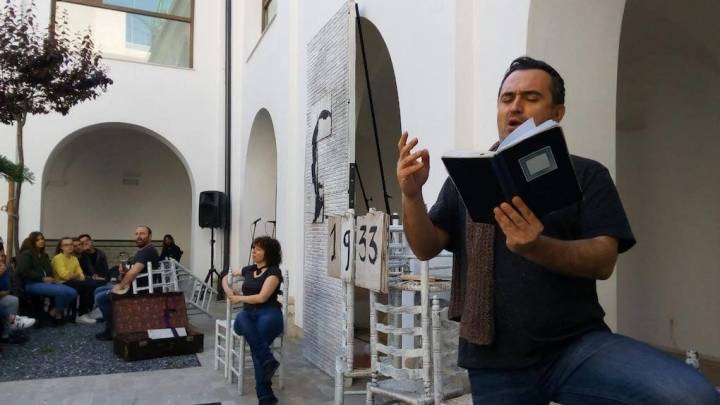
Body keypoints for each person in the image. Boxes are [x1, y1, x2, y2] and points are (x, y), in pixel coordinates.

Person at [397, 56, 720, 404]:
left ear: (558, 112)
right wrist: (411, 195)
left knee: (692, 395)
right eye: (507, 99)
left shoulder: (586, 174)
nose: (515, 107)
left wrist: (536, 246)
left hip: (578, 347)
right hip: (494, 360)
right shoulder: (469, 176)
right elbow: (426, 247)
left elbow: (603, 259)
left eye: (531, 97)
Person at [222, 236, 284, 405]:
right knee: (242, 317)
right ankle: (267, 361)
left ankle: (265, 396)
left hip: (269, 314)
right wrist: (229, 291)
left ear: (268, 252)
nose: (253, 252)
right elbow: (225, 275)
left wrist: (239, 298)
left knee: (259, 342)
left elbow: (262, 298)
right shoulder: (249, 269)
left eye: (258, 249)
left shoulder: (274, 272)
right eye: (253, 248)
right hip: (248, 317)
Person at [94, 226, 159, 341]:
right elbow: (134, 271)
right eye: (137, 233)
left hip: (138, 289)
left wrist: (121, 285)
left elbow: (133, 273)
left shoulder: (149, 250)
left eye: (142, 233)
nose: (139, 236)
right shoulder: (142, 251)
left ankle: (112, 329)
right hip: (134, 285)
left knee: (101, 297)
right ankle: (111, 317)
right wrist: (125, 270)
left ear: (150, 236)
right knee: (98, 290)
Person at [16, 232, 78, 326]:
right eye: (38, 239)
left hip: (46, 283)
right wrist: (42, 278)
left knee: (72, 292)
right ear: (33, 242)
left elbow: (49, 270)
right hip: (31, 284)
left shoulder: (44, 255)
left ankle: (53, 312)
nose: (41, 241)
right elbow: (23, 271)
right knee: (62, 292)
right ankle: (56, 315)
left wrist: (51, 278)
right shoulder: (27, 254)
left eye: (42, 239)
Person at [51, 237, 99, 324]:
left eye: (71, 244)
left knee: (91, 283)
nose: (69, 247)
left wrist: (73, 275)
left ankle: (84, 312)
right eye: (66, 245)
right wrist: (75, 275)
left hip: (71, 282)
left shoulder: (74, 258)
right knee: (87, 285)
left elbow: (81, 276)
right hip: (60, 283)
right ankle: (80, 314)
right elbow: (64, 276)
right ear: (61, 247)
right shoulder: (58, 258)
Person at [0, 246, 35, 343]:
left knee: (12, 300)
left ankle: (6, 335)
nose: (1, 258)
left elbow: (6, 289)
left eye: (2, 255)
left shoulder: (3, 268)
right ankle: (13, 319)